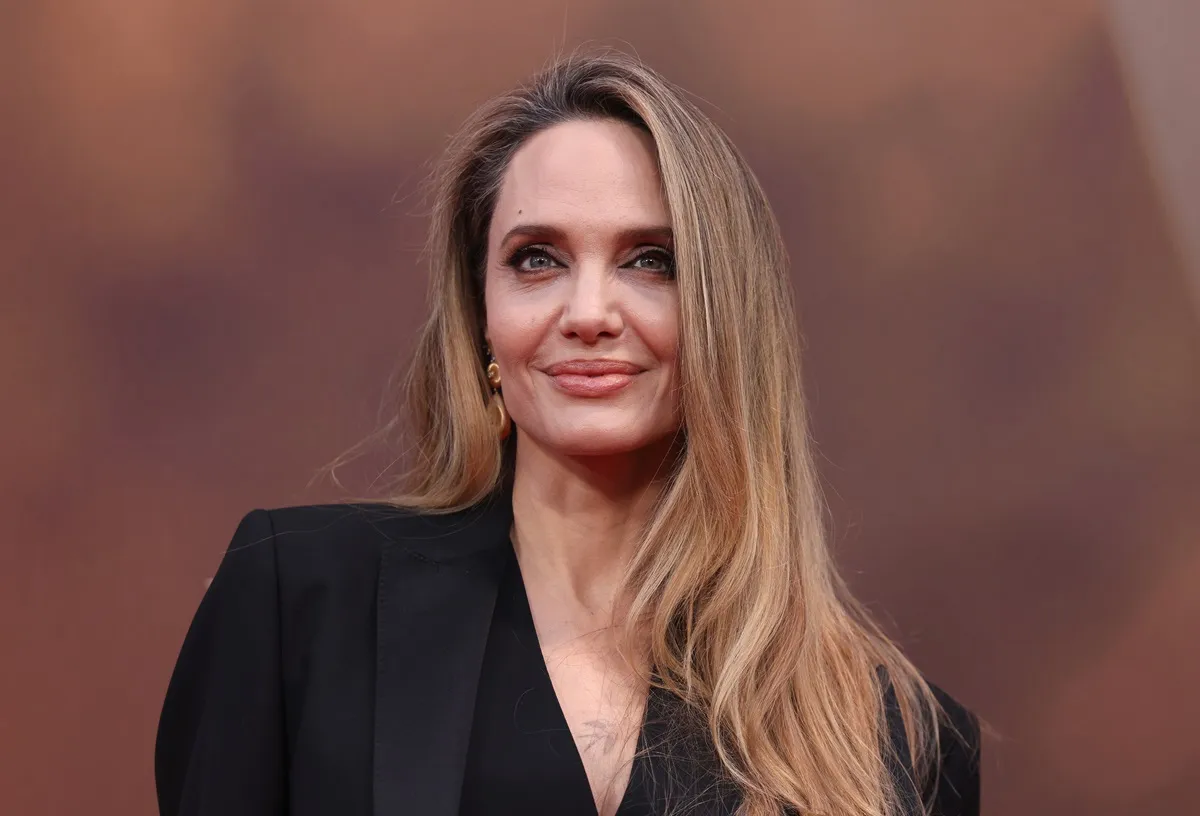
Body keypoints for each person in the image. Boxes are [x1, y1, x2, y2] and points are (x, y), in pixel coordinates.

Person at [154, 51, 980, 816]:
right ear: (481, 316)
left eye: (650, 260)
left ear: (727, 318)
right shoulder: (298, 603)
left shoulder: (898, 738)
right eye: (537, 259)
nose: (588, 314)